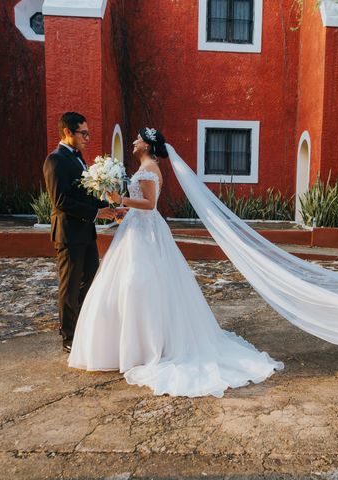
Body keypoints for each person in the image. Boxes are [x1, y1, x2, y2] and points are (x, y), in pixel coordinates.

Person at [68, 127, 283, 398]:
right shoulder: (147, 165)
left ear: (146, 145)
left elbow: (150, 204)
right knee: (131, 284)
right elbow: (142, 205)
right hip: (137, 229)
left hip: (145, 234)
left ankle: (148, 346)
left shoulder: (148, 168)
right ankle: (130, 345)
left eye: (137, 139)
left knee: (139, 284)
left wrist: (119, 199)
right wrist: (124, 210)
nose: (133, 142)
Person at [43, 112, 115, 353]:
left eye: (87, 133)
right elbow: (61, 201)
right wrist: (96, 215)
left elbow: (83, 196)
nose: (87, 137)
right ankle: (69, 337)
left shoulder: (79, 159)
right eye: (83, 133)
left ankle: (85, 329)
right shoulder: (55, 161)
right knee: (70, 286)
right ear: (67, 132)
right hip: (68, 235)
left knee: (91, 280)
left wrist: (107, 209)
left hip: (86, 233)